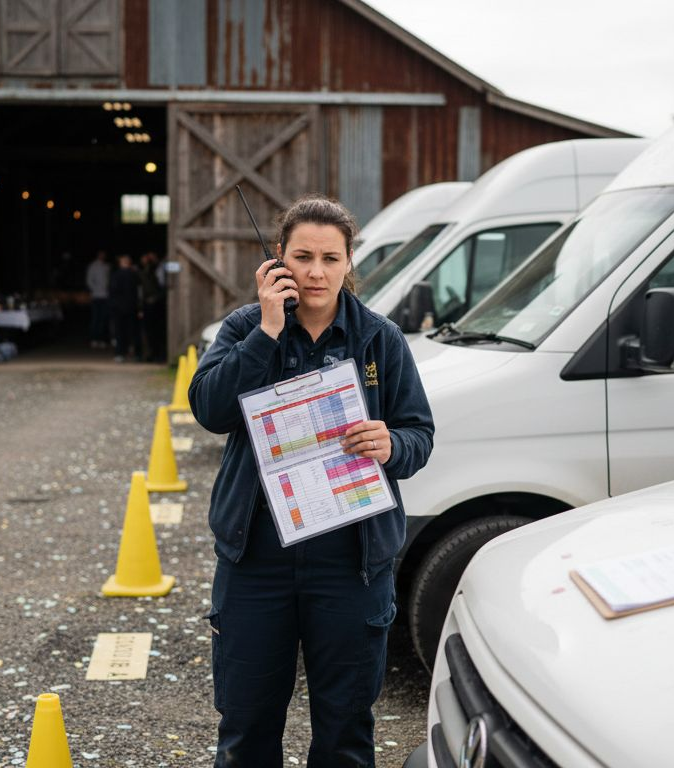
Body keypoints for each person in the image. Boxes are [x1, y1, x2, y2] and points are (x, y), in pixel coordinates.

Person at [189, 195, 434, 767]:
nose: (316, 271)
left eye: (330, 257)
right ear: (278, 259)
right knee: (247, 728)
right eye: (302, 256)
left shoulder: (380, 339)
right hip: (256, 562)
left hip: (350, 564)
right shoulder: (246, 327)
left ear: (350, 262)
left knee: (346, 730)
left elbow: (419, 434)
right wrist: (268, 332)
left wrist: (392, 444)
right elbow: (209, 409)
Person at [108, 254, 140, 363]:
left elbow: (112, 292)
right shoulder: (134, 275)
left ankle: (119, 353)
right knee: (133, 331)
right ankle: (136, 354)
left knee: (119, 331)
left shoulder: (115, 275)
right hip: (132, 307)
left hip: (118, 308)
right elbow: (138, 293)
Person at [137, 251, 167, 362]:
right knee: (149, 331)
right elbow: (141, 291)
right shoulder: (143, 272)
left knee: (157, 331)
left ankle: (159, 355)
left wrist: (155, 299)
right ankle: (151, 355)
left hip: (156, 305)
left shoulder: (155, 270)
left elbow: (160, 288)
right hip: (148, 305)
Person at [85, 250, 111, 348]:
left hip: (106, 296)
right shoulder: (93, 266)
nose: (102, 256)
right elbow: (89, 281)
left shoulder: (107, 266)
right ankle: (94, 339)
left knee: (104, 319)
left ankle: (102, 339)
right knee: (96, 319)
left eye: (104, 254)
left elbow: (109, 280)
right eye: (101, 254)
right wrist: (95, 289)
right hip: (96, 296)